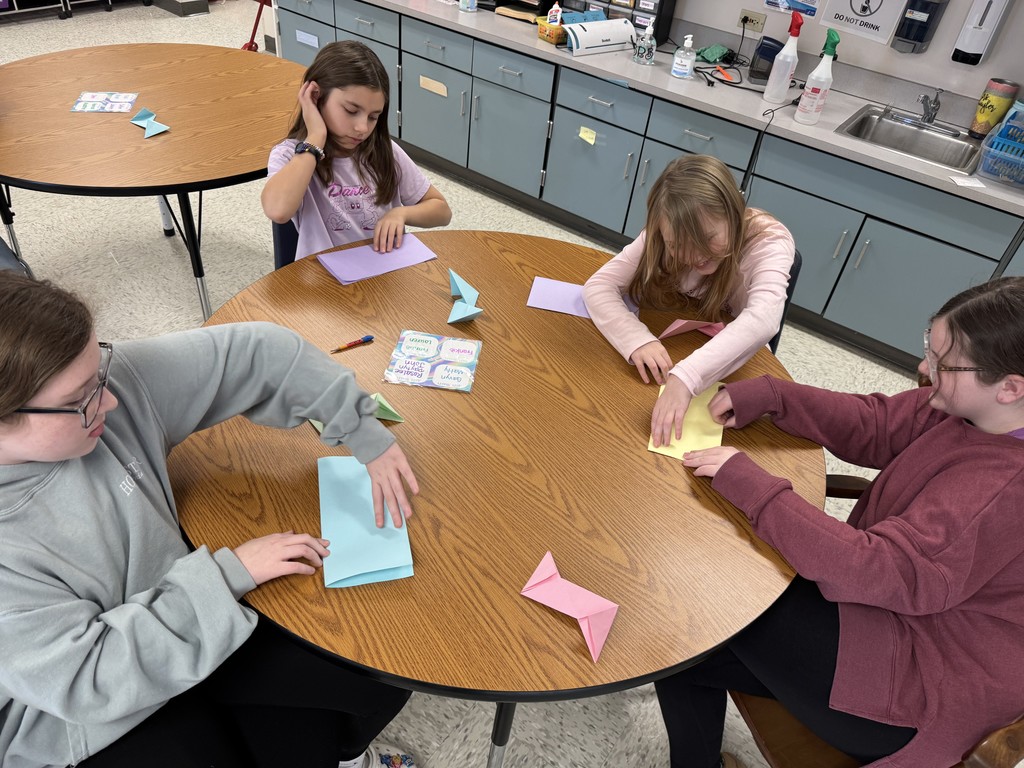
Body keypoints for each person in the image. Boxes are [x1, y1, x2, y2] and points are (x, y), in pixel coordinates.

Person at [0, 271, 422, 768]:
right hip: (84, 717)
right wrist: (224, 578)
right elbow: (86, 681)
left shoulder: (106, 393)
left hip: (186, 611)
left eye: (100, 375)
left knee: (375, 673)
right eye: (79, 401)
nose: (109, 401)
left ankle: (348, 755)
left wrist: (360, 427)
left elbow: (260, 352)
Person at [656, 276, 1024, 768]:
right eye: (928, 349)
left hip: (919, 685)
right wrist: (772, 396)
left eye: (943, 365)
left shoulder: (1001, 488)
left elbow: (881, 570)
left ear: (1010, 388)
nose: (923, 369)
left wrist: (754, 486)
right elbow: (875, 424)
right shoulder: (972, 409)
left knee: (696, 623)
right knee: (689, 640)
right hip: (885, 613)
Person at [582, 154, 794, 448]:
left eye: (707, 239)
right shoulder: (665, 228)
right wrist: (637, 339)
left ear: (733, 214)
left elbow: (764, 319)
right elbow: (599, 285)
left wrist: (685, 378)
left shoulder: (768, 240)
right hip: (687, 338)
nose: (695, 256)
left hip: (734, 359)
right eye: (677, 246)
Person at [262, 40, 452, 260]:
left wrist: (401, 213)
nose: (362, 128)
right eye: (351, 110)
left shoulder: (384, 151)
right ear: (316, 97)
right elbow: (278, 210)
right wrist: (315, 139)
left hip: (383, 276)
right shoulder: (290, 155)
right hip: (325, 283)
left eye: (373, 117)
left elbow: (442, 211)